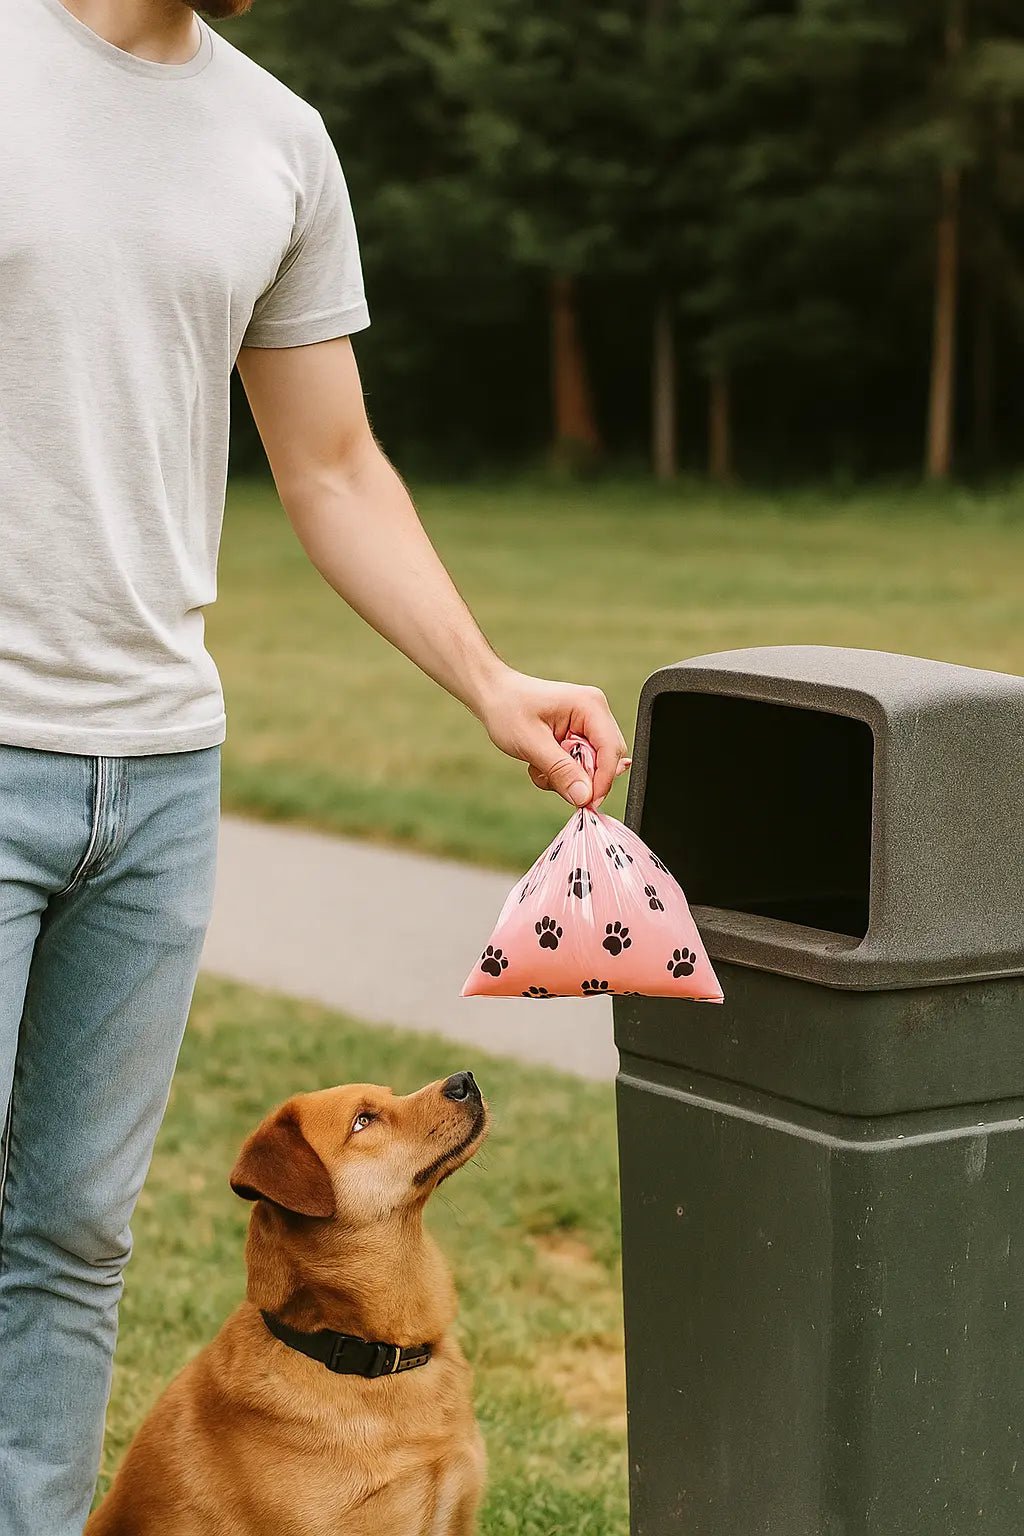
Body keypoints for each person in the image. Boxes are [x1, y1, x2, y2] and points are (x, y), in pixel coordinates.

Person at [0, 0, 630, 1530]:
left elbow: (331, 463)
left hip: (155, 771)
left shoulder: (277, 138)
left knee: (76, 1236)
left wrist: (486, 678)